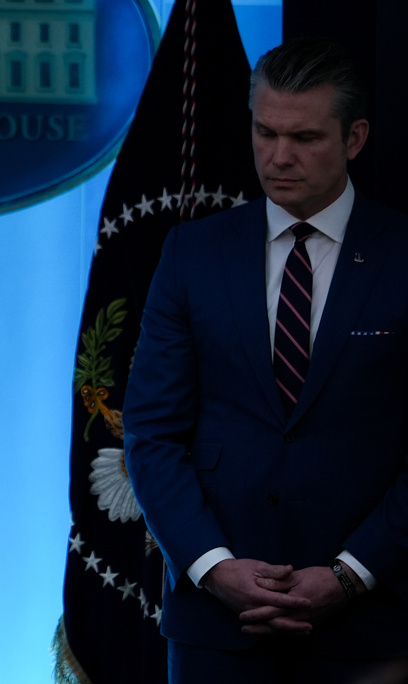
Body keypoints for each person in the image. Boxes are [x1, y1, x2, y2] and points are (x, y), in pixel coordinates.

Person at [123, 38, 408, 683]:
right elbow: (151, 431)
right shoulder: (191, 254)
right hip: (217, 630)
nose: (279, 157)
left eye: (305, 137)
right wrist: (212, 566)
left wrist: (349, 574)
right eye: (264, 132)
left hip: (370, 628)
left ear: (355, 137)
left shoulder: (401, 257)